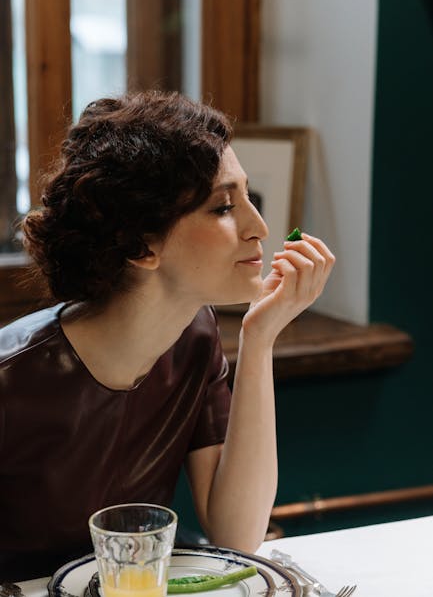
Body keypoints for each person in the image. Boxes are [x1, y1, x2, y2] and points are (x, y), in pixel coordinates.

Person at [0, 91, 335, 580]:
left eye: (248, 197)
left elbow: (237, 535)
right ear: (141, 245)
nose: (259, 227)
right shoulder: (12, 379)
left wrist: (260, 337)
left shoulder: (194, 339)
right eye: (223, 208)